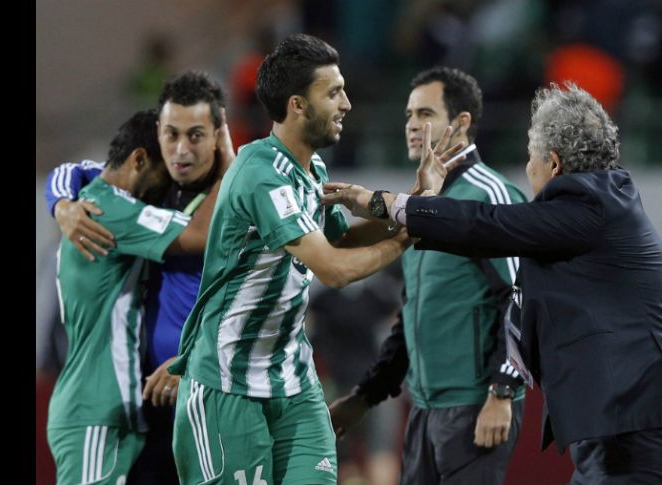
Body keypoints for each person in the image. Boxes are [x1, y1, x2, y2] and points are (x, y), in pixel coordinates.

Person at [324, 82, 662, 484]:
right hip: (617, 418)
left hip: (633, 419)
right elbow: (517, 294)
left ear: (553, 162)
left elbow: (486, 226)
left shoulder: (588, 206)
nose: (527, 169)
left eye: (530, 157)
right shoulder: (591, 212)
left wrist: (384, 203)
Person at [167, 34, 461, 485]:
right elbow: (334, 269)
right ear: (297, 105)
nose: (346, 103)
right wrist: (406, 240)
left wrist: (415, 205)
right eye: (333, 92)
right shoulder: (260, 174)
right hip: (228, 385)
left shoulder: (312, 170)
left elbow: (339, 242)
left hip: (292, 380)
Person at [329, 66, 526, 485]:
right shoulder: (420, 207)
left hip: (475, 404)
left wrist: (502, 392)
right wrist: (366, 398)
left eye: (425, 114)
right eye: (408, 116)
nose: (413, 126)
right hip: (423, 408)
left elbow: (521, 296)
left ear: (461, 123)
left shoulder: (488, 194)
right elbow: (411, 317)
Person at [44, 70, 234, 485]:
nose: (180, 154)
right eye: (170, 138)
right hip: (100, 407)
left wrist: (58, 198)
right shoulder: (110, 208)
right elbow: (201, 234)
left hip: (166, 401)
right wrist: (59, 203)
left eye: (195, 137)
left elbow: (77, 170)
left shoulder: (101, 199)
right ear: (143, 157)